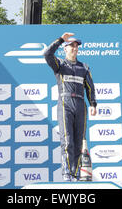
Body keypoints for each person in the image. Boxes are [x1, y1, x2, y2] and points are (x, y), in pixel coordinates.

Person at [44, 32, 97, 181]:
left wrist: (93, 103)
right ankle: (67, 175)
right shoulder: (59, 65)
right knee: (67, 142)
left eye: (76, 46)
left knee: (79, 142)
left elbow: (90, 87)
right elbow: (47, 54)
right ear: (65, 49)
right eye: (71, 46)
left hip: (81, 105)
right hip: (65, 103)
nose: (74, 48)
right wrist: (61, 40)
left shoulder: (84, 67)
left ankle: (76, 174)